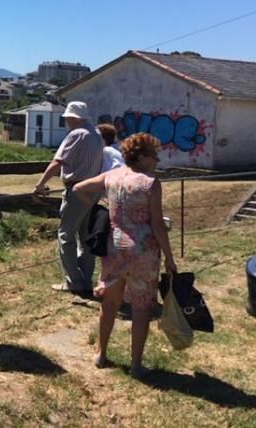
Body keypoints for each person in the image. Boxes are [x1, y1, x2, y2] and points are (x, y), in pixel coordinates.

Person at [72, 133, 177, 379]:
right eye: (155, 156)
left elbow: (78, 188)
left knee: (109, 303)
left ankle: (100, 353)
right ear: (142, 157)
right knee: (141, 308)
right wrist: (170, 257)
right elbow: (157, 225)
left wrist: (99, 208)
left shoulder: (112, 176)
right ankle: (136, 365)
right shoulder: (150, 183)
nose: (157, 160)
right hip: (143, 250)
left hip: (114, 246)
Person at [33, 101, 103, 296]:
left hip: (77, 189)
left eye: (68, 117)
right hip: (93, 189)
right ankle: (86, 280)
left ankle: (73, 281)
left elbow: (58, 162)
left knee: (66, 234)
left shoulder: (77, 134)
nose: (66, 121)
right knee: (86, 237)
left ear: (74, 117)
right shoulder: (96, 135)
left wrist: (40, 185)